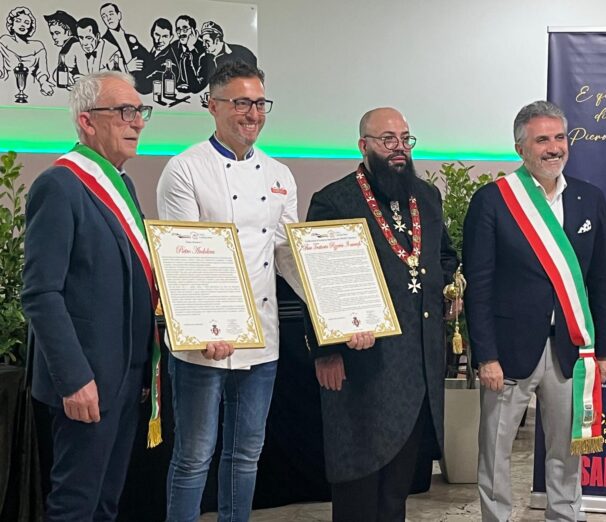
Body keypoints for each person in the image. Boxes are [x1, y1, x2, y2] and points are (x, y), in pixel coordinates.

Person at [157, 61, 305, 522]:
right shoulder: (185, 169)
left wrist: (333, 308)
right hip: (204, 341)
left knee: (245, 455)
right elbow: (184, 256)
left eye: (259, 104)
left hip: (261, 338)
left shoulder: (279, 174)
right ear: (213, 106)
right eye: (241, 103)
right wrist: (206, 327)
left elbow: (285, 253)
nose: (253, 114)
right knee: (194, 456)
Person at [462, 100, 606, 522]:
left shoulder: (589, 198)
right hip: (508, 351)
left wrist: (605, 351)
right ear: (520, 148)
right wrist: (486, 356)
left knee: (567, 451)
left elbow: (602, 280)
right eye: (542, 139)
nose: (554, 148)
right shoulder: (493, 201)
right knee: (496, 450)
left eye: (560, 137)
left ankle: (565, 515)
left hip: (571, 348)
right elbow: (480, 286)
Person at [304, 107, 459, 521]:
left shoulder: (426, 196)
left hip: (418, 362)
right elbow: (316, 278)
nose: (399, 148)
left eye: (405, 139)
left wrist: (448, 289)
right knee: (359, 480)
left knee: (397, 490)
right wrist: (326, 350)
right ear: (364, 146)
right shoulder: (335, 200)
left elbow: (444, 256)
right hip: (363, 364)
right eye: (388, 139)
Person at [21, 71, 159, 521]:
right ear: (86, 121)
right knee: (75, 505)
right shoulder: (59, 186)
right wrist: (74, 379)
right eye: (124, 111)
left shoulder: (124, 185)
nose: (137, 122)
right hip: (87, 380)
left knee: (106, 503)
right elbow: (41, 293)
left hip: (127, 376)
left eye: (140, 111)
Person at [0, 6, 54, 95]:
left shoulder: (38, 46)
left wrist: (44, 83)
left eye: (26, 22)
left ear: (30, 27)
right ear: (12, 24)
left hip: (32, 91)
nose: (22, 25)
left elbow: (42, 71)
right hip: (7, 91)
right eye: (18, 21)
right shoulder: (4, 41)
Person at [99, 3, 152, 93]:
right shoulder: (104, 43)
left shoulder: (131, 38)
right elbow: (104, 72)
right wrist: (127, 67)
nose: (108, 18)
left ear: (119, 15)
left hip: (141, 88)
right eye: (104, 16)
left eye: (111, 14)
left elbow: (147, 58)